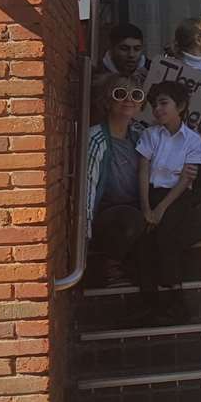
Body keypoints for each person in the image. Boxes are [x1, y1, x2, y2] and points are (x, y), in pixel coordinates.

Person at [134, 81, 201, 322]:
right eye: (154, 105)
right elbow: (143, 172)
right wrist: (147, 208)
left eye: (164, 103)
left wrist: (160, 210)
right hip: (150, 194)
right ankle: (149, 301)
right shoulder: (149, 134)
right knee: (143, 239)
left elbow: (186, 179)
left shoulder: (193, 140)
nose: (158, 109)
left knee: (168, 234)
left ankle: (175, 299)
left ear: (181, 106)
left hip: (177, 197)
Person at [84, 75, 148, 291]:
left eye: (136, 95)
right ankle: (110, 266)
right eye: (120, 94)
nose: (128, 100)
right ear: (107, 101)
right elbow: (88, 186)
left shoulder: (141, 136)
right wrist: (86, 233)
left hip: (137, 206)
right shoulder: (96, 138)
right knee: (129, 220)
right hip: (109, 211)